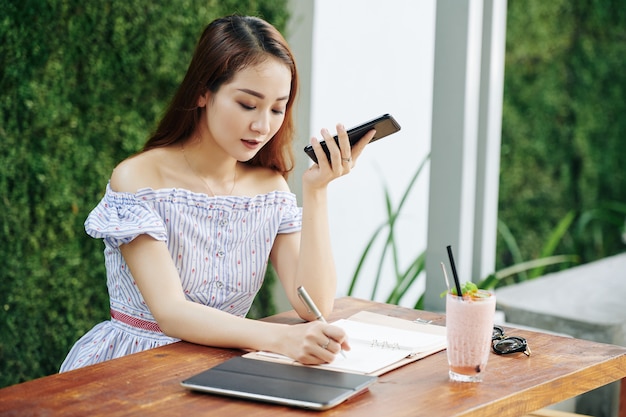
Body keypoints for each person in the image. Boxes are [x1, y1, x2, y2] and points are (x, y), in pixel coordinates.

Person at [59, 15, 375, 372]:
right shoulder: (138, 179)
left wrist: (316, 189)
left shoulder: (269, 189)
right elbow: (172, 314)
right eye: (247, 104)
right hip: (133, 368)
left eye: (277, 107)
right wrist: (280, 340)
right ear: (202, 92)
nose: (263, 126)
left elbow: (313, 305)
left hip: (220, 369)